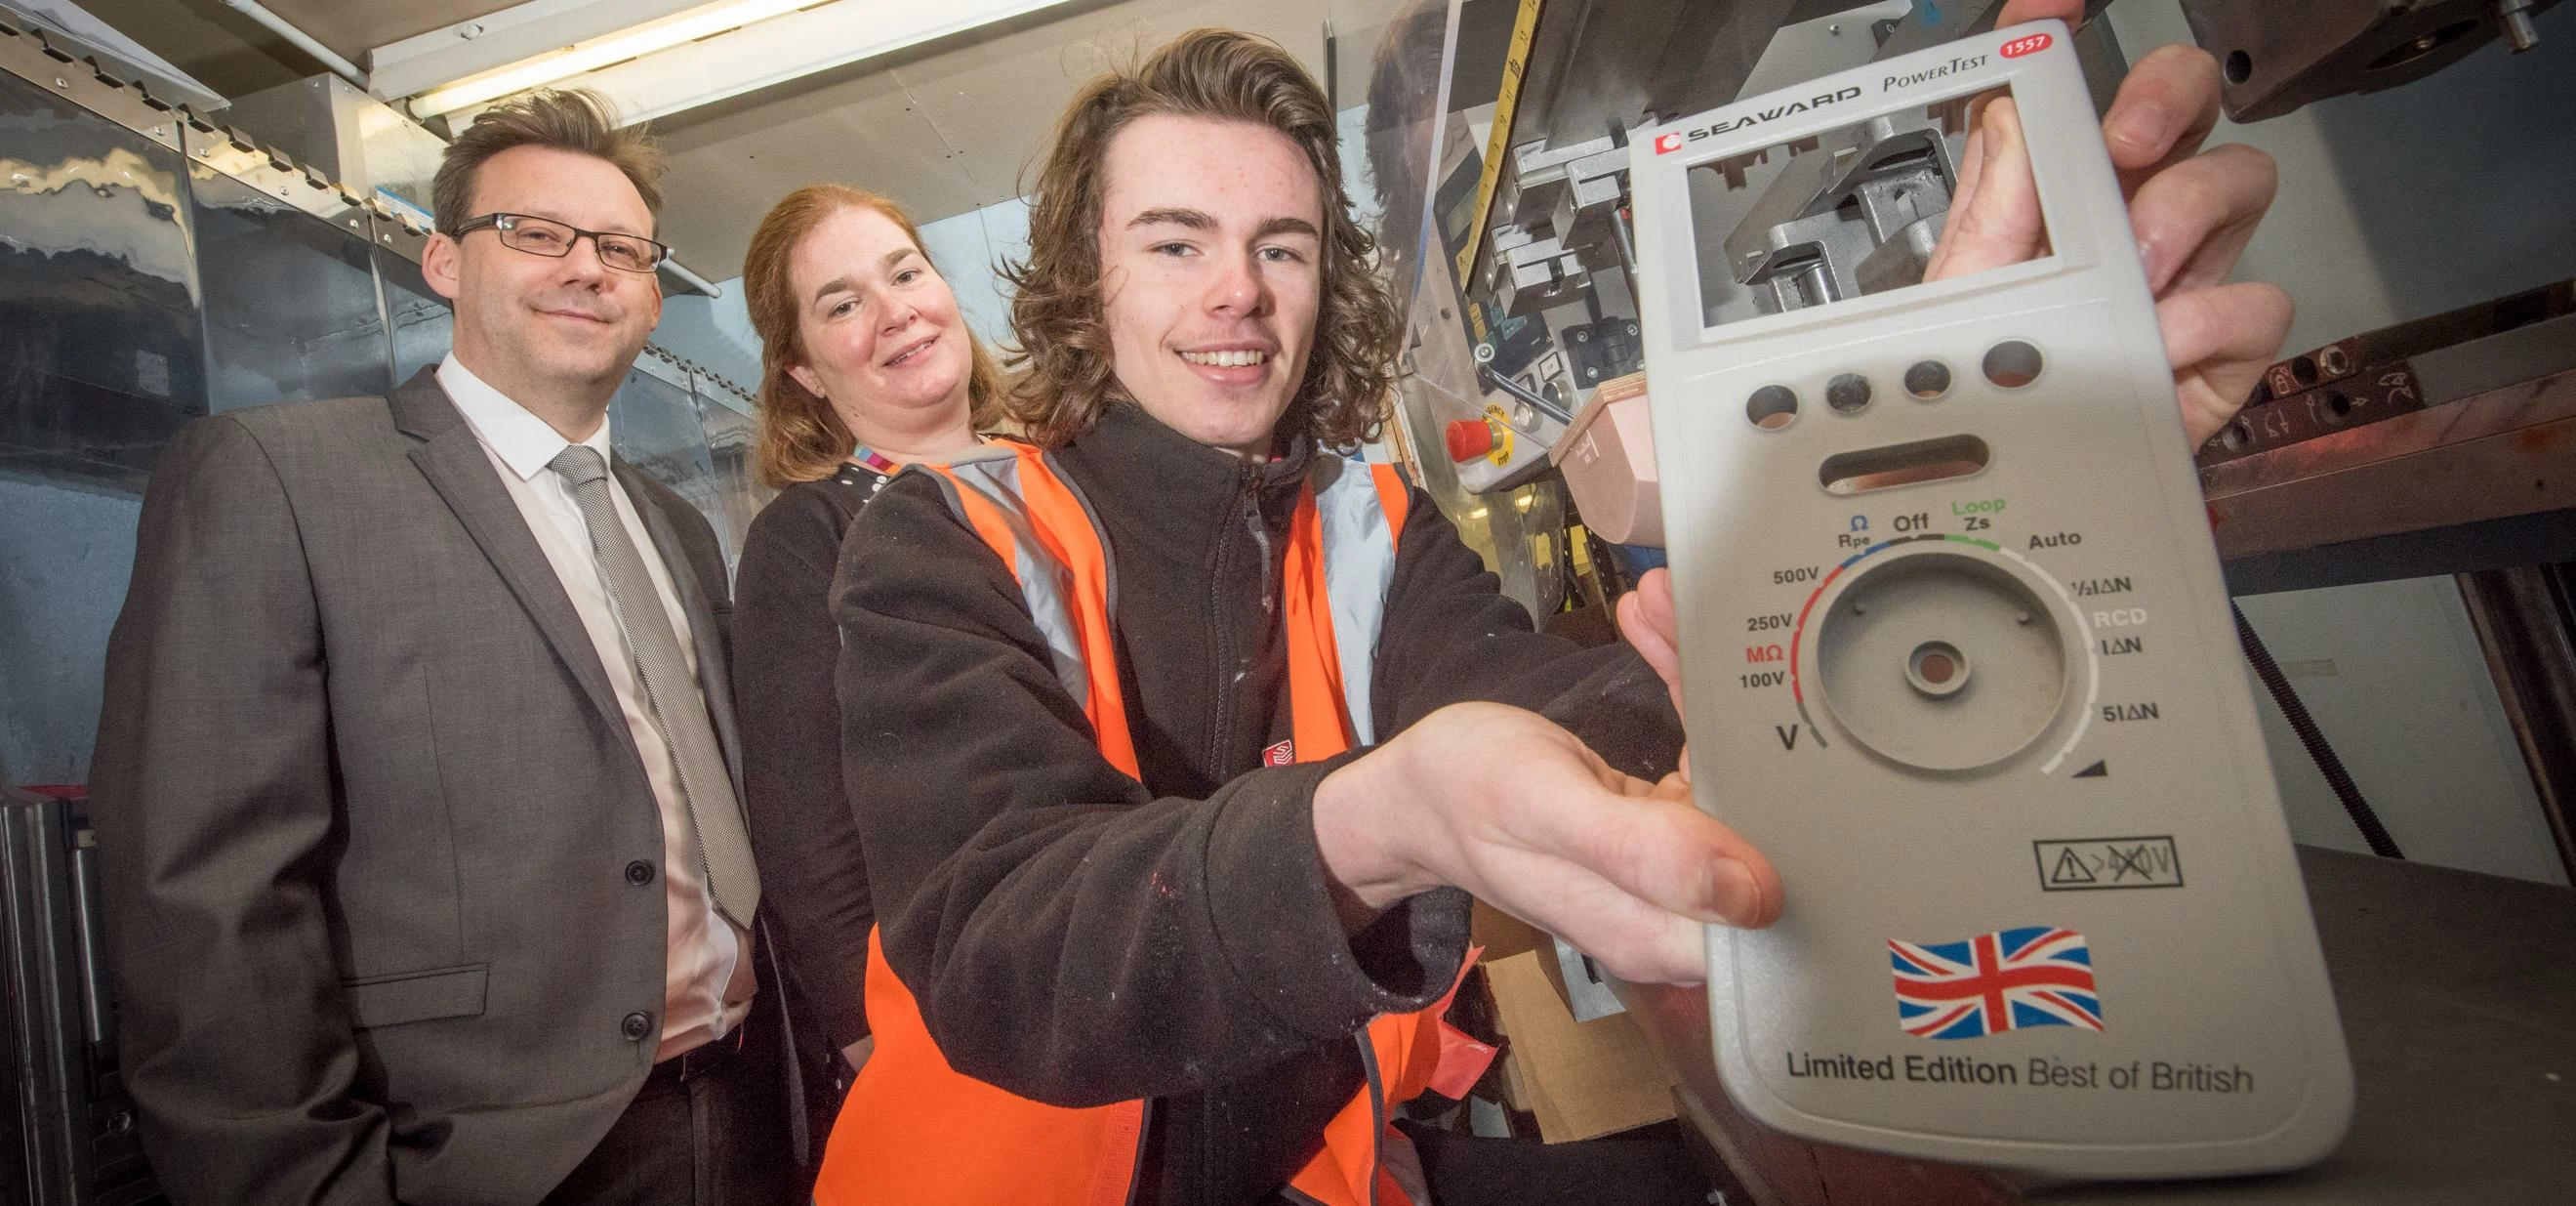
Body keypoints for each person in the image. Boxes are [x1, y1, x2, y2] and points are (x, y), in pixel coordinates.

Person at [816, 4, 2284, 1202]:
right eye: (1176, 241)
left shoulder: (1363, 520)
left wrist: (1912, 495)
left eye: (1283, 245)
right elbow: (1007, 943)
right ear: (1085, 273)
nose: (1239, 294)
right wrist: (1381, 816)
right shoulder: (942, 536)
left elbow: (1561, 704)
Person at [91, 90, 797, 1206]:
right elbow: (206, 892)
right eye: (536, 233)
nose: (587, 268)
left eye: (620, 246)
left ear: (653, 291)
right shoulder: (282, 476)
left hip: (754, 1114)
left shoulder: (673, 526)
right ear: (443, 261)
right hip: (481, 1157)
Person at [729, 185, 1004, 1095]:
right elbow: (804, 827)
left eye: (905, 272)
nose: (895, 313)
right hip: (970, 1003)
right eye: (843, 304)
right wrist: (875, 1046)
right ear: (804, 370)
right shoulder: (808, 539)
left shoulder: (1070, 470)